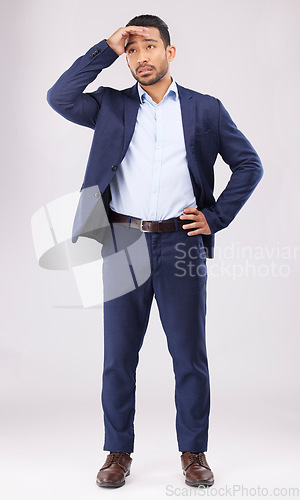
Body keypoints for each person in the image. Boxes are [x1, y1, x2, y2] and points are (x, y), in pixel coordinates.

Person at [47, 14, 263, 489]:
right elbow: (59, 97)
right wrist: (104, 48)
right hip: (123, 240)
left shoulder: (206, 110)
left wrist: (216, 216)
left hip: (181, 243)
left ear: (170, 51)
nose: (140, 57)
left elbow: (248, 164)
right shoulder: (111, 107)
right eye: (131, 49)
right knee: (119, 356)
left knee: (189, 354)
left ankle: (193, 452)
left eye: (149, 47)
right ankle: (117, 451)